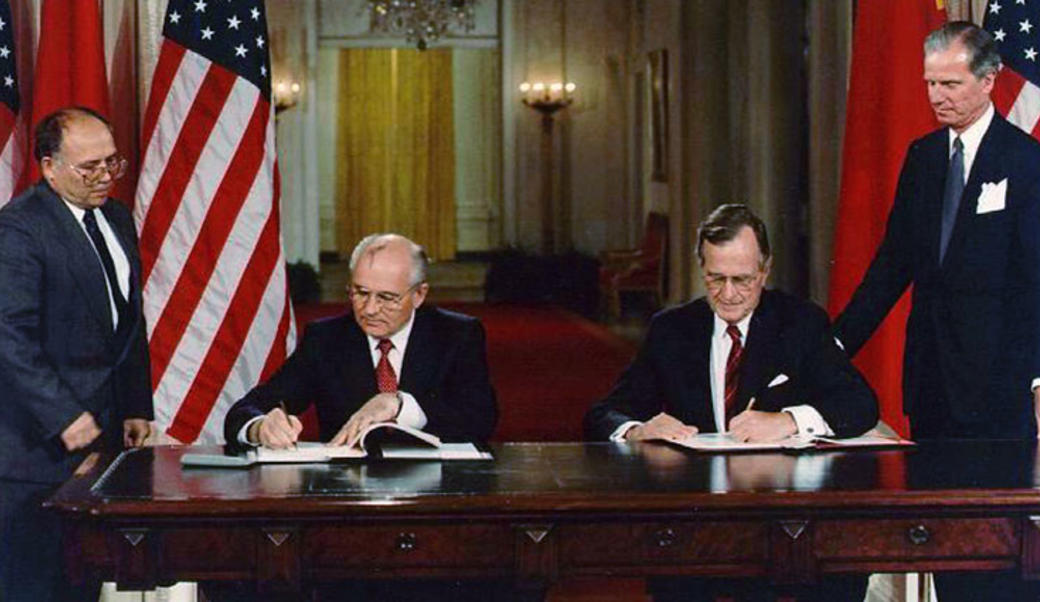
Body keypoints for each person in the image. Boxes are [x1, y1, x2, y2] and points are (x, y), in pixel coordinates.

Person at [832, 21, 1040, 600]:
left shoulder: (1025, 162)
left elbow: (1036, 285)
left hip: (999, 395)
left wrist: (1036, 378)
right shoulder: (923, 157)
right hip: (932, 388)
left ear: (990, 81)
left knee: (996, 549)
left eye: (949, 83)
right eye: (930, 84)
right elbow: (891, 266)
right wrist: (832, 346)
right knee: (945, 544)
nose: (937, 96)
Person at [585, 204, 877, 602]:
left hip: (777, 518)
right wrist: (638, 429)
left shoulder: (800, 323)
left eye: (742, 280)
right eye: (715, 278)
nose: (728, 294)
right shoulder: (672, 330)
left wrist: (788, 420)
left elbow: (859, 403)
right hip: (695, 523)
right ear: (700, 268)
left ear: (765, 271)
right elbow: (604, 413)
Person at [0, 107, 153, 602]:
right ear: (49, 166)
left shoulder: (117, 217)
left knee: (84, 585)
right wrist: (64, 416)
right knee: (36, 587)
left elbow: (126, 320)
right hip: (35, 454)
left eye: (112, 163)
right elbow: (9, 335)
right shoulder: (20, 229)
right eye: (90, 167)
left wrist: (135, 405)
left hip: (102, 443)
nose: (105, 176)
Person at [224, 233, 498, 451]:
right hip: (348, 496)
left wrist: (399, 405)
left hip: (434, 493)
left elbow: (480, 419)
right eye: (360, 293)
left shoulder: (456, 335)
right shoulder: (326, 340)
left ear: (419, 295)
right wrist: (259, 427)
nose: (369, 309)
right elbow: (246, 410)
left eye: (386, 298)